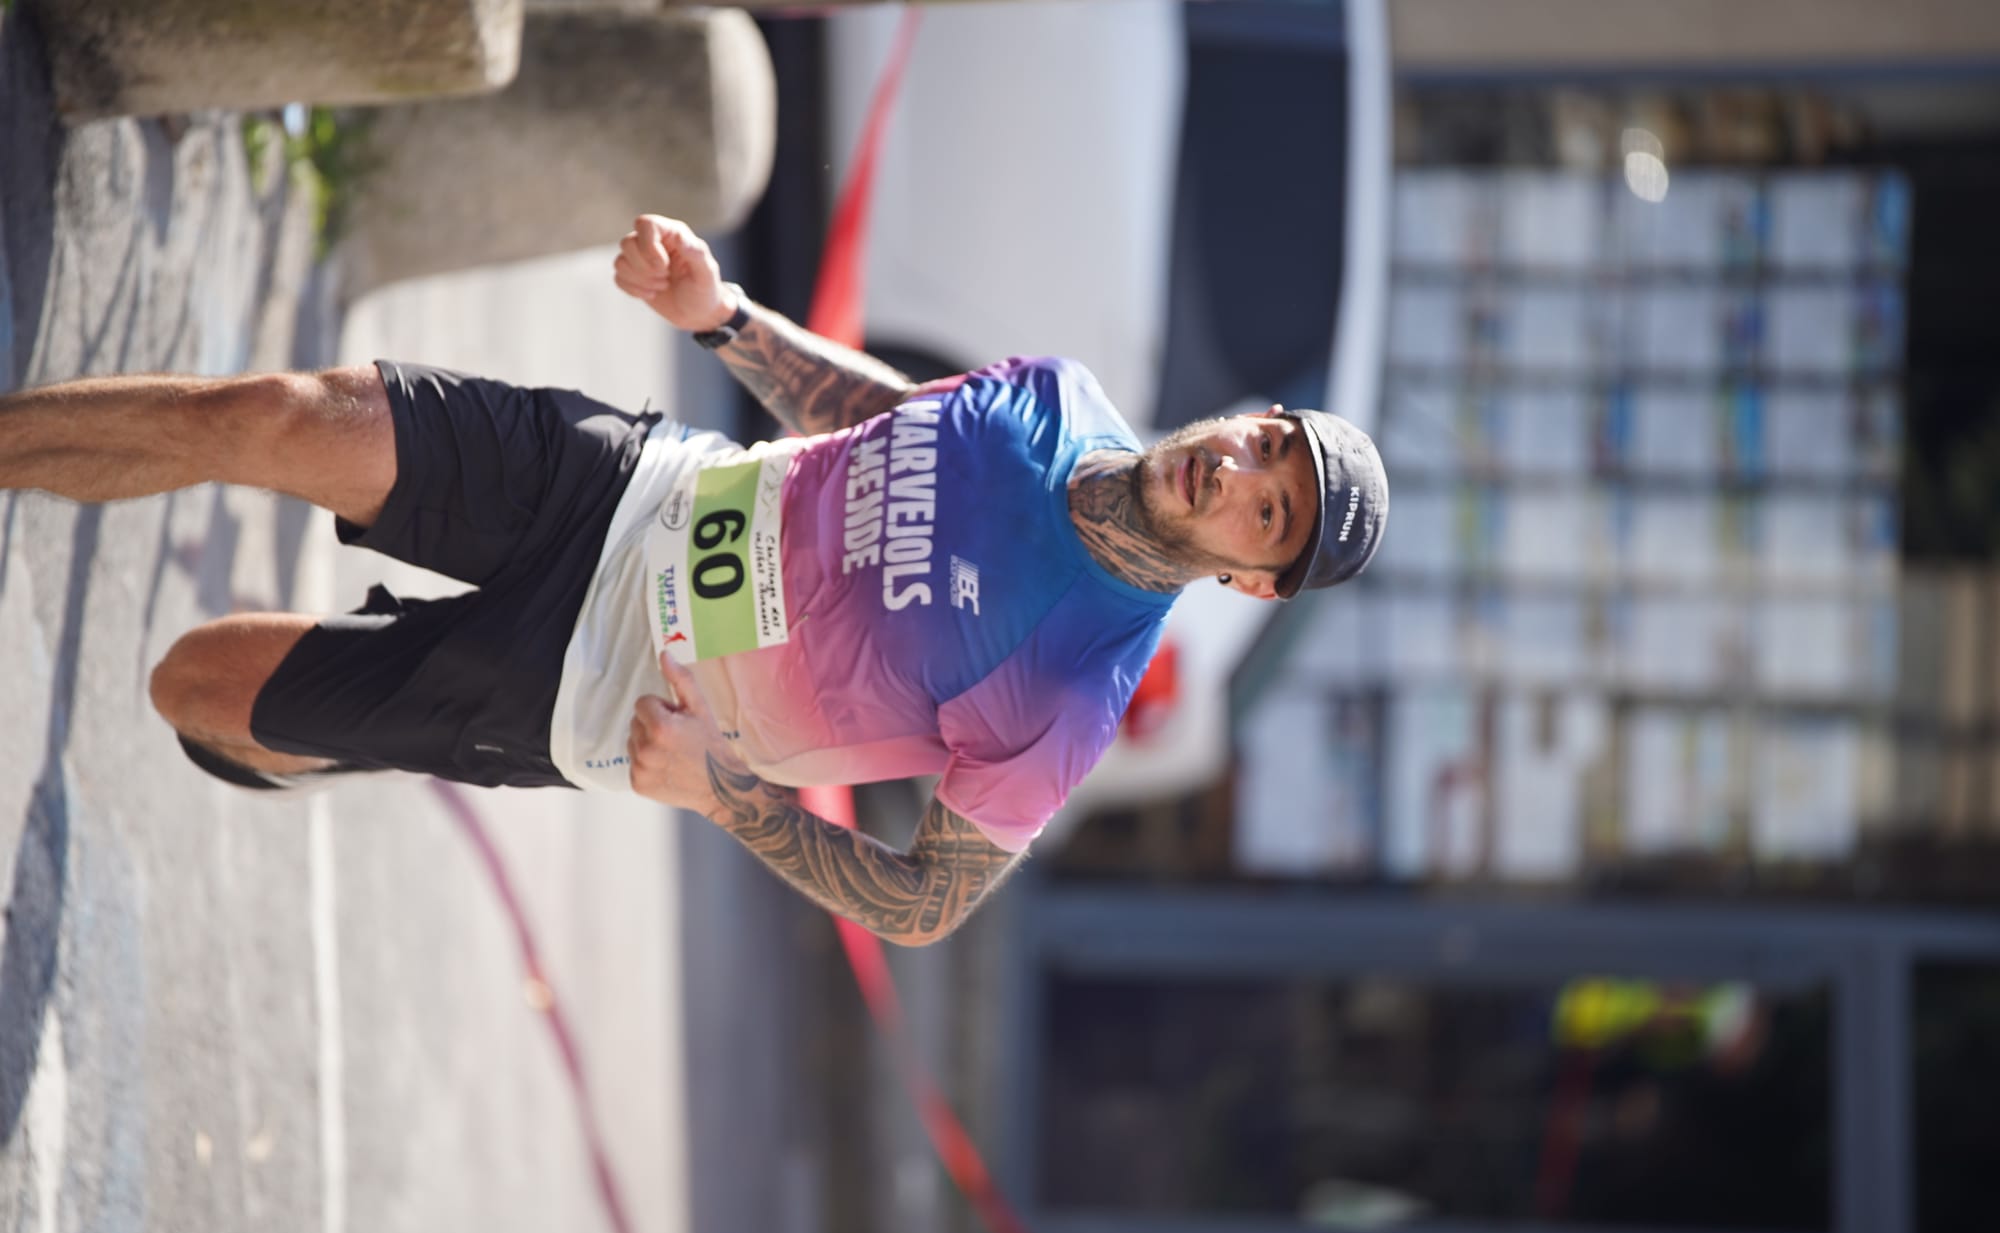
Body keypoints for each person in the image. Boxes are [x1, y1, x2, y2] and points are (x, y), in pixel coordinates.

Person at [0, 215, 1387, 945]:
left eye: (1268, 513)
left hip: (594, 695)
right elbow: (880, 414)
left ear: (1248, 581)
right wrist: (722, 318)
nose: (1236, 471)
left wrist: (722, 791)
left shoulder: (1076, 696)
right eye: (1269, 444)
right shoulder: (1058, 398)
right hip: (629, 480)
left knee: (196, 685)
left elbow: (920, 904)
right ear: (1251, 410)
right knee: (270, 414)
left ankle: (325, 741)